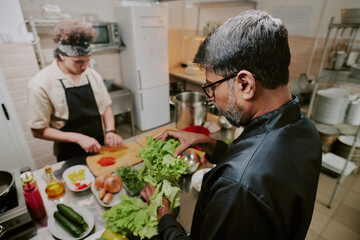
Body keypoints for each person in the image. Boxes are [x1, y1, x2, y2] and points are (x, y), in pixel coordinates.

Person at [140, 9, 322, 240]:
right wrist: (211, 145)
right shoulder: (305, 128)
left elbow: (249, 174)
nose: (210, 97)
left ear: (245, 84)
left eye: (211, 87)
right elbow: (264, 161)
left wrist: (165, 216)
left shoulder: (237, 186)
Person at [27, 19, 123, 161]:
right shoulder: (40, 84)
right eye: (78, 62)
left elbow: (106, 107)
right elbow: (37, 131)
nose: (84, 67)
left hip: (99, 146)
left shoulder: (92, 75)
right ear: (62, 55)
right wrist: (78, 138)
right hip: (69, 153)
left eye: (87, 61)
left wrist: (110, 130)